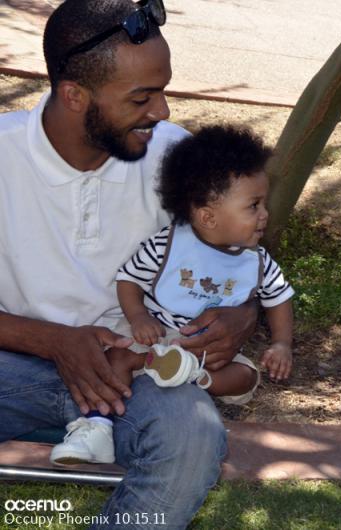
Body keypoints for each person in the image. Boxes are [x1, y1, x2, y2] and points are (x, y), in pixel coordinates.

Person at [0, 0, 257, 527]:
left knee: (192, 441)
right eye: (142, 97)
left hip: (137, 371)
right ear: (74, 96)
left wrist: (241, 315)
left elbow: (237, 272)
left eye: (163, 91)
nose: (162, 112)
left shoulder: (176, 157)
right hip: (13, 366)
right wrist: (51, 340)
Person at [49, 125, 295, 466]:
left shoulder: (257, 261)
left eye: (264, 203)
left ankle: (192, 376)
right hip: (157, 332)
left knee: (246, 376)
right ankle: (98, 427)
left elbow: (278, 299)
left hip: (207, 352)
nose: (265, 214)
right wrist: (138, 317)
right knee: (116, 360)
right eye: (253, 206)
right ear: (207, 216)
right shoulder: (166, 245)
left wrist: (281, 343)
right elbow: (129, 280)